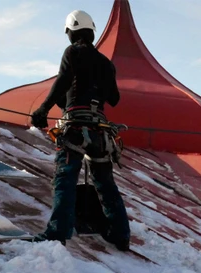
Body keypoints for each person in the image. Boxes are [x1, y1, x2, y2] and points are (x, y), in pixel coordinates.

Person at [30, 10, 130, 251]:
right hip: (100, 132)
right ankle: (120, 235)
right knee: (105, 183)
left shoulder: (73, 51)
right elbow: (114, 98)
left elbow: (63, 80)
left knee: (65, 178)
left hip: (76, 126)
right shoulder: (106, 64)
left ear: (71, 31)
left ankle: (57, 233)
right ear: (92, 32)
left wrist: (42, 110)